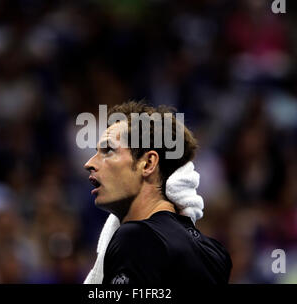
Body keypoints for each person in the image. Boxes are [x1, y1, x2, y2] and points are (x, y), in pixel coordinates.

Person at [83, 101, 232, 284]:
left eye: (108, 151)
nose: (89, 163)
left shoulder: (135, 238)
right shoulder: (214, 253)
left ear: (148, 163)